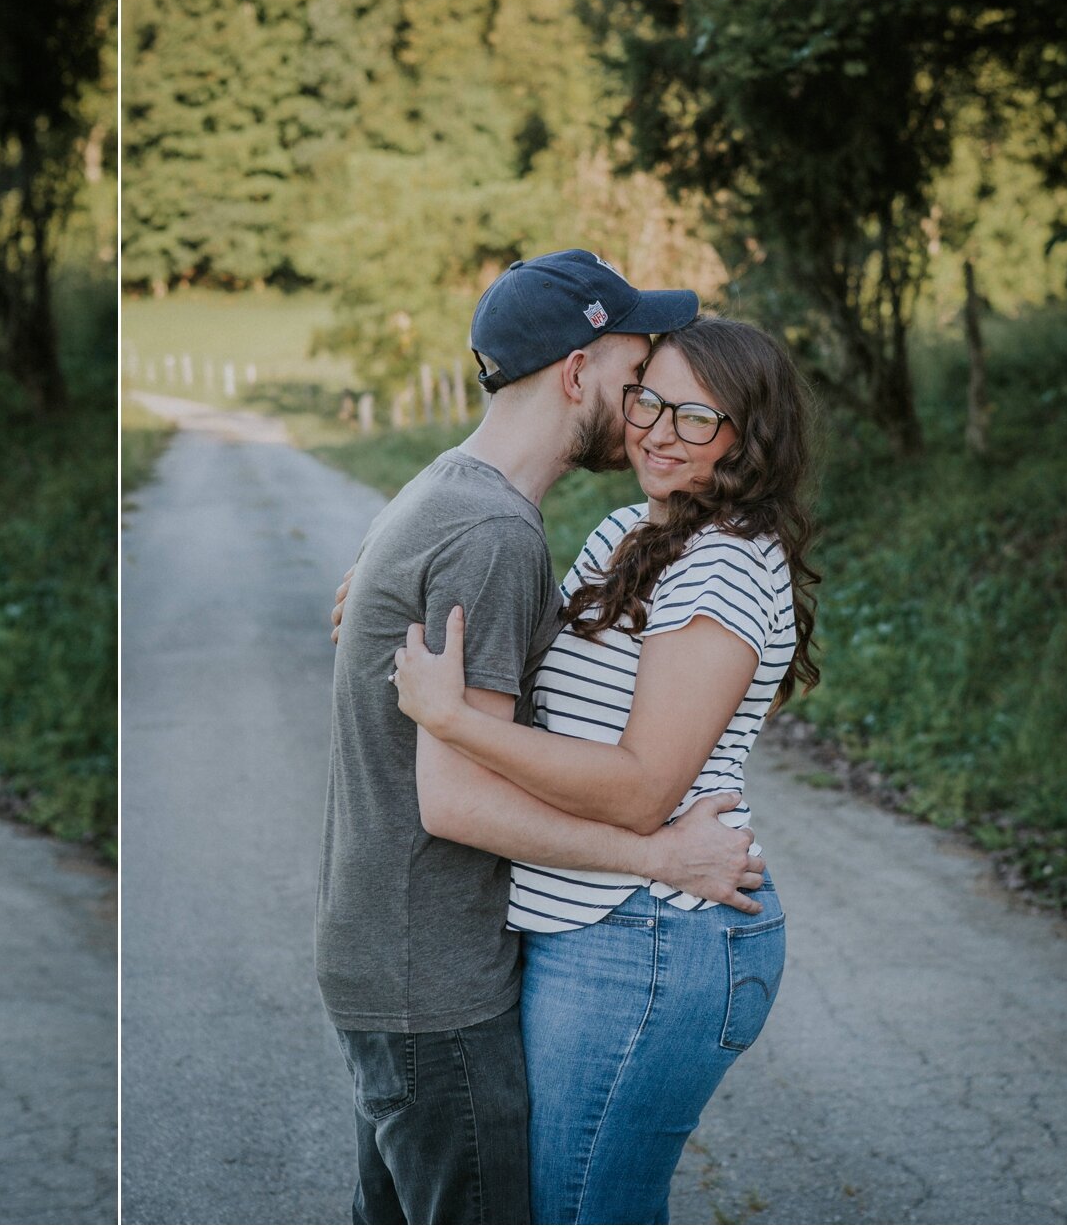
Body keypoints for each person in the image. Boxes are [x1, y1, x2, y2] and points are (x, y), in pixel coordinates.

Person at [319, 251, 769, 1226]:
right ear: (575, 373)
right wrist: (656, 853)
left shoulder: (445, 494)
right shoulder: (490, 533)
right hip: (429, 972)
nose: (645, 391)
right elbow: (454, 800)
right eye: (633, 370)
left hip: (397, 960)